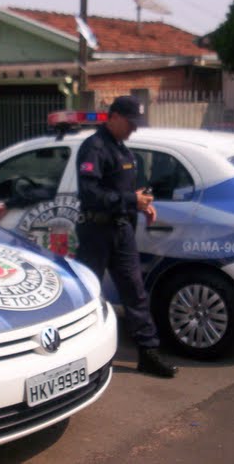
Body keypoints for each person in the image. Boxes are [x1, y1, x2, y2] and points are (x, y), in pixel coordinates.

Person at [74, 95, 177, 378]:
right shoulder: (94, 147)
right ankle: (80, 355)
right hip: (96, 232)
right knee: (87, 294)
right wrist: (131, 200)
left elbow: (121, 191)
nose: (134, 128)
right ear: (114, 117)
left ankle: (148, 354)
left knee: (135, 293)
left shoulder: (122, 149)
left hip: (121, 231)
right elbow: (90, 193)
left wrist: (141, 204)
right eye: (131, 123)